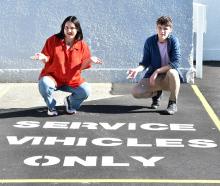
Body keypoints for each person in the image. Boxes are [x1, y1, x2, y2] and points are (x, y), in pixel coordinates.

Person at [31, 16, 102, 116]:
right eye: (66, 27)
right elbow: (47, 59)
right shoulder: (52, 40)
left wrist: (90, 60)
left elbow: (81, 67)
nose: (69, 30)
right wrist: (42, 57)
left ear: (77, 29)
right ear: (63, 28)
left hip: (72, 80)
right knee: (44, 84)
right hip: (53, 78)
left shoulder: (82, 45)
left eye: (72, 28)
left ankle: (70, 102)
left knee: (85, 91)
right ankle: (51, 107)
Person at [127, 16, 183, 115]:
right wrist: (137, 69)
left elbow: (176, 63)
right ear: (156, 28)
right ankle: (157, 93)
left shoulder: (174, 41)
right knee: (135, 92)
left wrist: (157, 71)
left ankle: (172, 103)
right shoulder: (150, 41)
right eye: (160, 28)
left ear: (170, 30)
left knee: (173, 72)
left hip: (168, 78)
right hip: (154, 78)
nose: (162, 31)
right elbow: (145, 62)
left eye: (165, 28)